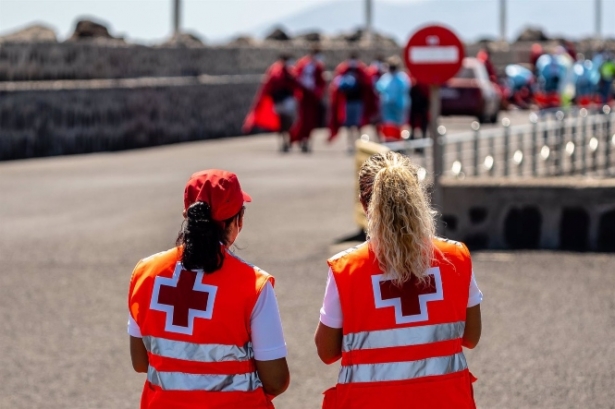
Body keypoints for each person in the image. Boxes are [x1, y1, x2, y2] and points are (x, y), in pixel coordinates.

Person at [315, 151, 482, 409]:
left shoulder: (346, 268)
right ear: (417, 198)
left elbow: (327, 352)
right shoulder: (456, 257)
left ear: (363, 203)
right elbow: (471, 336)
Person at [128, 169, 290, 408]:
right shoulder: (253, 285)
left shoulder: (145, 273)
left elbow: (141, 363)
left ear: (187, 215)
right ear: (238, 221)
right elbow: (276, 381)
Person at [243, 54, 301, 152]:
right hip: (279, 100)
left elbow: (296, 84)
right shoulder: (275, 71)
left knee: (289, 121)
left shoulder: (291, 71)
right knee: (281, 122)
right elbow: (269, 86)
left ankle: (290, 140)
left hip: (288, 100)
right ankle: (284, 142)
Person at [328, 53, 378, 152]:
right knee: (349, 125)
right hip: (347, 102)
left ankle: (360, 143)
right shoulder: (343, 70)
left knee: (358, 124)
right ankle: (350, 144)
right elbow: (336, 86)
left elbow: (367, 85)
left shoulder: (361, 71)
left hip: (358, 102)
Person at [292, 48, 327, 153]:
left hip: (312, 97)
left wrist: (317, 92)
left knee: (311, 121)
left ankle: (307, 141)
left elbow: (321, 82)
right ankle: (301, 140)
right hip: (304, 96)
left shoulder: (318, 66)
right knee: (303, 120)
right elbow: (296, 77)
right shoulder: (303, 64)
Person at [375, 56, 410, 141]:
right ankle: (392, 142)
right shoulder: (399, 77)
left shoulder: (400, 77)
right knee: (391, 126)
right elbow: (379, 88)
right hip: (391, 106)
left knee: (398, 126)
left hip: (397, 106)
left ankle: (397, 143)